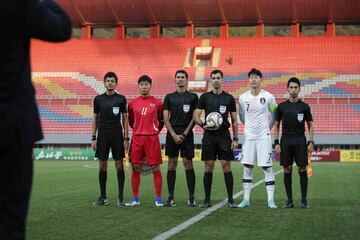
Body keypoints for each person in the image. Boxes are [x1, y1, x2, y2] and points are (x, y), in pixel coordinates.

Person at [0, 0, 71, 239]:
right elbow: (61, 27)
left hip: (13, 124)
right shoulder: (16, 6)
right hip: (11, 125)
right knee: (11, 219)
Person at [194, 70, 239, 208]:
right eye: (213, 78)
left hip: (224, 136)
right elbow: (196, 116)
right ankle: (207, 200)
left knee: (226, 165)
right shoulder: (205, 97)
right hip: (209, 136)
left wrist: (235, 138)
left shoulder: (229, 98)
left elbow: (234, 120)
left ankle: (231, 199)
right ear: (211, 80)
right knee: (209, 166)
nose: (216, 80)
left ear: (222, 80)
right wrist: (205, 125)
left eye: (218, 78)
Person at [238, 68, 278, 209]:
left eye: (256, 77)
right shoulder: (243, 98)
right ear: (248, 80)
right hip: (249, 137)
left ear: (261, 80)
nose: (253, 79)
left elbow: (275, 114)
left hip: (263, 137)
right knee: (247, 166)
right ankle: (246, 199)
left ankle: (270, 200)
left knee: (267, 167)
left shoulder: (269, 97)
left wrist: (267, 127)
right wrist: (248, 126)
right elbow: (241, 115)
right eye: (251, 77)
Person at [273, 77, 314, 209]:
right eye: (291, 87)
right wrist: (276, 142)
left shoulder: (305, 107)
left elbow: (310, 125)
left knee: (302, 168)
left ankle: (303, 200)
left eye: (295, 87)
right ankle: (289, 200)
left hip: (300, 140)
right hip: (286, 140)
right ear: (287, 89)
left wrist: (311, 141)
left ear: (299, 89)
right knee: (287, 169)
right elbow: (276, 125)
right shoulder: (281, 107)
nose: (293, 90)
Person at [126, 75, 165, 207]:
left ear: (150, 86)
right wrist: (139, 129)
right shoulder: (132, 104)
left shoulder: (158, 103)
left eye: (146, 84)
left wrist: (154, 131)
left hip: (152, 138)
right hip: (137, 138)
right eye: (141, 84)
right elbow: (131, 121)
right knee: (135, 168)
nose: (144, 87)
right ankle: (135, 198)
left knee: (155, 167)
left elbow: (161, 122)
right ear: (138, 86)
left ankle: (158, 198)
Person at [92, 72, 129, 206]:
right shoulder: (98, 99)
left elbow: (125, 118)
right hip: (102, 134)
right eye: (108, 80)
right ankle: (103, 197)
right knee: (102, 166)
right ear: (104, 82)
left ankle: (120, 197)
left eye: (112, 81)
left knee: (119, 165)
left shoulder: (121, 99)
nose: (110, 83)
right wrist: (93, 137)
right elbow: (95, 118)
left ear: (116, 83)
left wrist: (126, 137)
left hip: (117, 134)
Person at [163, 70, 198, 207]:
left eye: (183, 77)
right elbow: (166, 117)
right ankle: (171, 198)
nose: (180, 79)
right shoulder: (169, 97)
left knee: (188, 163)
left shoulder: (193, 97)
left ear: (187, 79)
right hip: (172, 133)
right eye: (178, 77)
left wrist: (184, 134)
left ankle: (191, 197)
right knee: (171, 163)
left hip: (187, 133)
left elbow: (194, 118)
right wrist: (173, 134)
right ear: (175, 79)